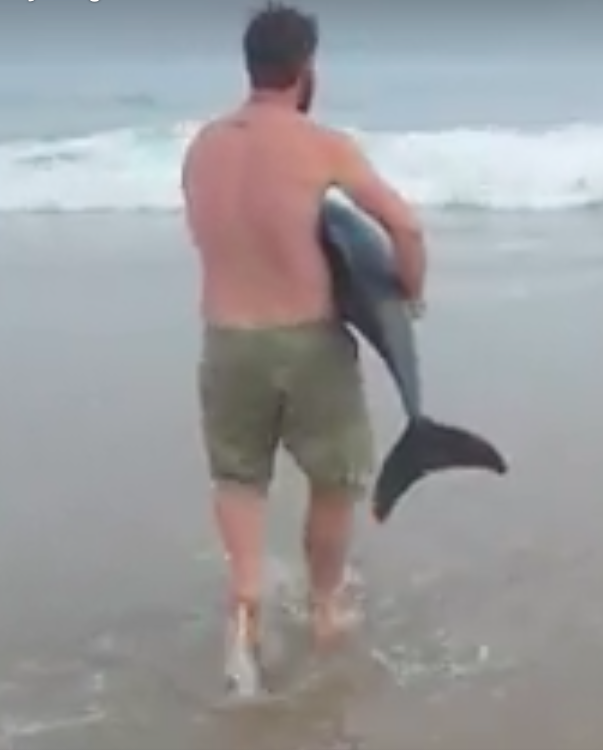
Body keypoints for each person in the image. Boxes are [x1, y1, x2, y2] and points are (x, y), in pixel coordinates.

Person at [179, 2, 427, 695]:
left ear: (250, 66)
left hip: (226, 340)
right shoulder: (321, 144)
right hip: (308, 341)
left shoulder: (202, 145)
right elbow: (405, 228)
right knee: (336, 477)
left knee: (238, 477)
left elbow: (213, 231)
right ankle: (323, 608)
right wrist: (408, 290)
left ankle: (246, 609)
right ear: (306, 70)